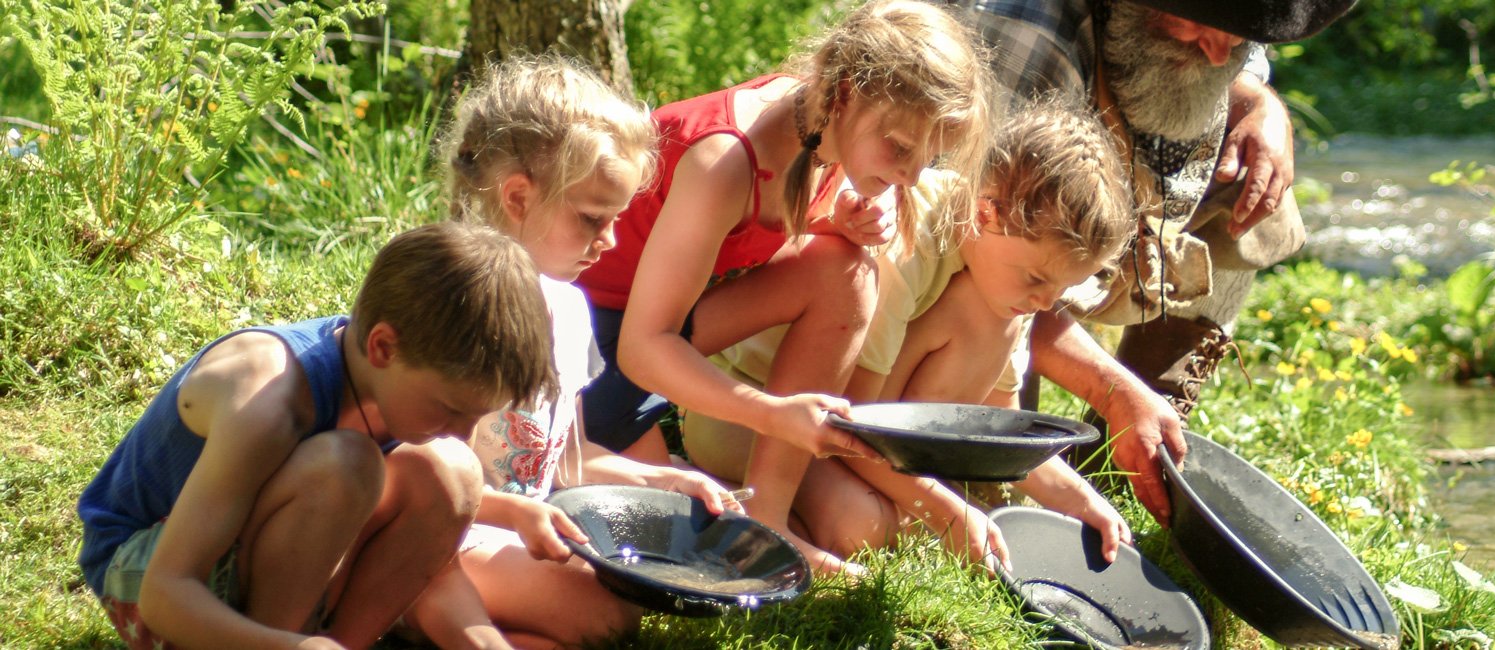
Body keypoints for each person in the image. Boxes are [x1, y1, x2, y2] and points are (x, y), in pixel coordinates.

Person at [572, 0, 994, 575]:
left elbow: (754, 232)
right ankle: (706, 490)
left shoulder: (821, 126)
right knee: (645, 536)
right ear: (844, 91)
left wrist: (830, 222)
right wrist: (770, 414)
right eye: (899, 148)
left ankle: (766, 517)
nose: (911, 177)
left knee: (846, 269)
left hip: (653, 330)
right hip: (583, 348)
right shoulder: (724, 161)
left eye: (928, 158)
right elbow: (643, 347)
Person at [682, 101, 1137, 566]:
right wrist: (945, 511)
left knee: (990, 320)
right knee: (863, 530)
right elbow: (855, 427)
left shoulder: (1005, 284)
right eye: (1037, 280)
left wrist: (1082, 501)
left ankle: (870, 507)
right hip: (753, 417)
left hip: (841, 430)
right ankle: (712, 498)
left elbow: (1000, 421)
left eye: (1061, 288)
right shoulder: (905, 245)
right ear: (986, 214)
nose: (1045, 302)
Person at [396, 56, 745, 650]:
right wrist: (515, 518)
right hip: (438, 540)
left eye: (615, 220)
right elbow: (407, 471)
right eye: (591, 218)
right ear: (517, 197)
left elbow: (564, 462)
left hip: (521, 534)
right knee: (603, 614)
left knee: (589, 622)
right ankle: (406, 612)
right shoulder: (452, 304)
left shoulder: (568, 308)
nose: (609, 241)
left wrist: (661, 478)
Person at [957, 0, 1352, 524]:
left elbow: (1238, 53)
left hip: (1111, 208)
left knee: (1254, 179)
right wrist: (1110, 388)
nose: (1218, 54)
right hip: (972, 261)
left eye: (1236, 35)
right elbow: (962, 255)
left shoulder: (1213, 35)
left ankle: (1129, 441)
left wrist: (1262, 104)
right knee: (993, 488)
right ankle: (1020, 433)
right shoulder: (1025, 38)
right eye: (1197, 25)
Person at [75, 222, 558, 649]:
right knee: (346, 465)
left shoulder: (391, 382)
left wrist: (512, 510)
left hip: (233, 559)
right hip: (146, 575)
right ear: (384, 346)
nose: (463, 430)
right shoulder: (268, 402)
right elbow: (166, 595)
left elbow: (428, 518)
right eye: (452, 409)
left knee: (454, 472)